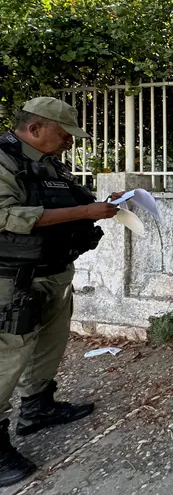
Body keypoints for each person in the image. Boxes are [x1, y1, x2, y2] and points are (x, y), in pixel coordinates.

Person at [0, 97, 120, 487]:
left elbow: (68, 200)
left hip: (53, 272)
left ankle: (37, 409)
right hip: (13, 279)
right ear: (35, 128)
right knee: (7, 357)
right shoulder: (5, 161)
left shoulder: (49, 164)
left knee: (48, 347)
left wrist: (101, 205)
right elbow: (5, 216)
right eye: (64, 134)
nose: (70, 141)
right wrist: (84, 213)